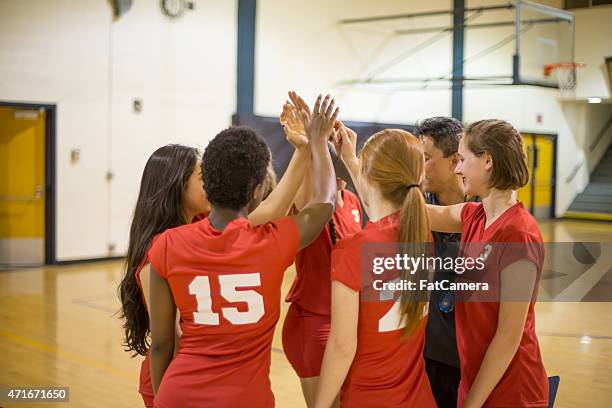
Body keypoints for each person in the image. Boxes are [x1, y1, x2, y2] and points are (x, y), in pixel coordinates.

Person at [118, 99, 317, 407]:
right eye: (202, 176)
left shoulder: (204, 228)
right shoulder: (160, 248)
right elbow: (167, 341)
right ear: (177, 187)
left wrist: (303, 152)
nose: (210, 181)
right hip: (170, 380)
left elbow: (269, 210)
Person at [427, 119, 548, 408]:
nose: (457, 169)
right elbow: (412, 212)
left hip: (512, 390)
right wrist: (352, 163)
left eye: (463, 160)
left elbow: (508, 335)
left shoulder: (519, 233)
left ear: (488, 161)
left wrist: (472, 403)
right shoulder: (473, 215)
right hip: (475, 381)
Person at [314, 128, 436, 408]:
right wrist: (350, 158)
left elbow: (342, 347)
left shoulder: (353, 249)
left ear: (369, 178)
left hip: (369, 397)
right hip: (419, 397)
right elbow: (382, 208)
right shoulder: (421, 234)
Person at [280, 92, 362, 407]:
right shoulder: (311, 200)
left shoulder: (353, 201)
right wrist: (305, 141)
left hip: (343, 318)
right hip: (314, 321)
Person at [415, 116, 467, 407]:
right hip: (425, 354)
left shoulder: (485, 214)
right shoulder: (421, 205)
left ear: (454, 161)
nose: (419, 167)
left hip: (468, 359)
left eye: (425, 158)